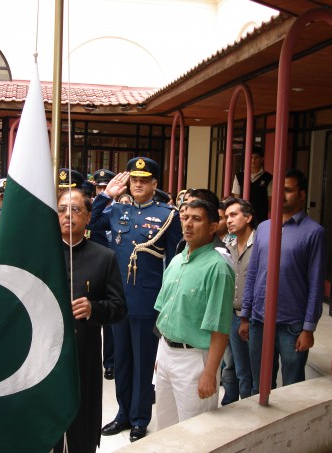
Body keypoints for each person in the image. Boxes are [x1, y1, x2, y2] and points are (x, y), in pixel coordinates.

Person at [89, 157, 182, 442]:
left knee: (143, 363)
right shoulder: (117, 210)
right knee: (122, 362)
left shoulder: (168, 215)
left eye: (144, 180)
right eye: (135, 180)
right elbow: (91, 223)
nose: (138, 184)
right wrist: (106, 195)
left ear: (155, 184)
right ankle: (123, 414)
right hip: (118, 301)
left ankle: (141, 418)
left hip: (146, 302)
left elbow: (176, 259)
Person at [239, 169, 326, 394]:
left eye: (287, 190)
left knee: (292, 389)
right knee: (260, 387)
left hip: (292, 325)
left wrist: (308, 328)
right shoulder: (265, 228)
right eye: (278, 190)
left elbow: (316, 284)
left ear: (302, 195)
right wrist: (245, 315)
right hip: (259, 320)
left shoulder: (314, 232)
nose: (281, 195)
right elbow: (253, 272)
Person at [53, 189, 127, 453]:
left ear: (88, 217)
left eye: (75, 210)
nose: (67, 215)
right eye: (62, 209)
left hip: (84, 354)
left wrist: (94, 309)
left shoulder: (103, 257)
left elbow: (119, 308)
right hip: (45, 355)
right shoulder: (42, 256)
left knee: (81, 423)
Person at [154, 199, 234, 429]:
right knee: (165, 427)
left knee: (194, 432)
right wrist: (160, 355)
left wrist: (210, 373)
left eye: (197, 219)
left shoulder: (217, 268)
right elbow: (165, 311)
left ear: (212, 227)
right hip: (166, 352)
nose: (188, 224)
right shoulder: (178, 260)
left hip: (194, 359)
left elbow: (219, 327)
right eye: (185, 218)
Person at [220, 197, 256, 405]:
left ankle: (249, 405)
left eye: (234, 215)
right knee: (234, 365)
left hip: (252, 315)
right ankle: (233, 403)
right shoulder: (228, 243)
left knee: (250, 368)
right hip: (232, 314)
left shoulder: (261, 242)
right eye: (226, 217)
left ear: (248, 217)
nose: (229, 221)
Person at [92, 168, 117, 380]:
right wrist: (104, 196)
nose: (102, 188)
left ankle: (110, 362)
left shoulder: (122, 211)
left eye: (105, 185)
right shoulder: (96, 208)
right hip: (98, 269)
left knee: (113, 319)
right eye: (99, 187)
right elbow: (90, 220)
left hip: (119, 271)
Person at [232, 146, 272, 225]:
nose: (253, 160)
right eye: (251, 157)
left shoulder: (268, 178)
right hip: (242, 218)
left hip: (261, 219)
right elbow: (236, 198)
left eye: (256, 158)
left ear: (262, 159)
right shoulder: (239, 176)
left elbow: (270, 200)